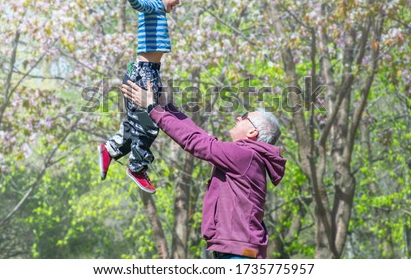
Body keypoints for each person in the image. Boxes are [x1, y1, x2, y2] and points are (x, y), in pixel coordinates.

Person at [120, 80, 287, 259]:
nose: (238, 118)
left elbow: (196, 142)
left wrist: (153, 108)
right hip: (239, 250)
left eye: (245, 116)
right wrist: (166, 107)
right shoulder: (249, 157)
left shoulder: (245, 155)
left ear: (252, 133)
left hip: (237, 254)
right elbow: (200, 136)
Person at [98, 0, 186, 194]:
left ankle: (110, 149)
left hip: (150, 71)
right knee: (148, 126)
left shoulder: (156, 8)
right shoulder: (154, 5)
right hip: (144, 73)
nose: (177, 2)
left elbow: (144, 4)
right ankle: (136, 168)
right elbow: (140, 4)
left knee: (136, 124)